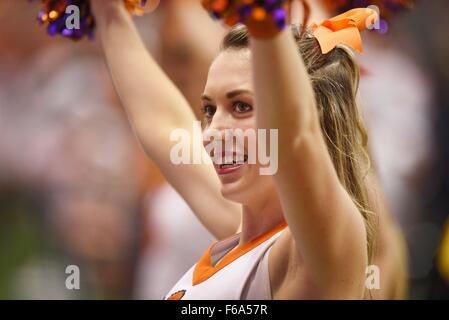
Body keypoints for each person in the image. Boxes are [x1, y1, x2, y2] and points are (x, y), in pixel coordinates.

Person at [91, 0, 377, 299]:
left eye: (241, 106)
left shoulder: (318, 246)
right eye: (209, 110)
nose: (211, 133)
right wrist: (106, 11)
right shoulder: (240, 233)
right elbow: (163, 125)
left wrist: (262, 15)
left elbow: (295, 135)